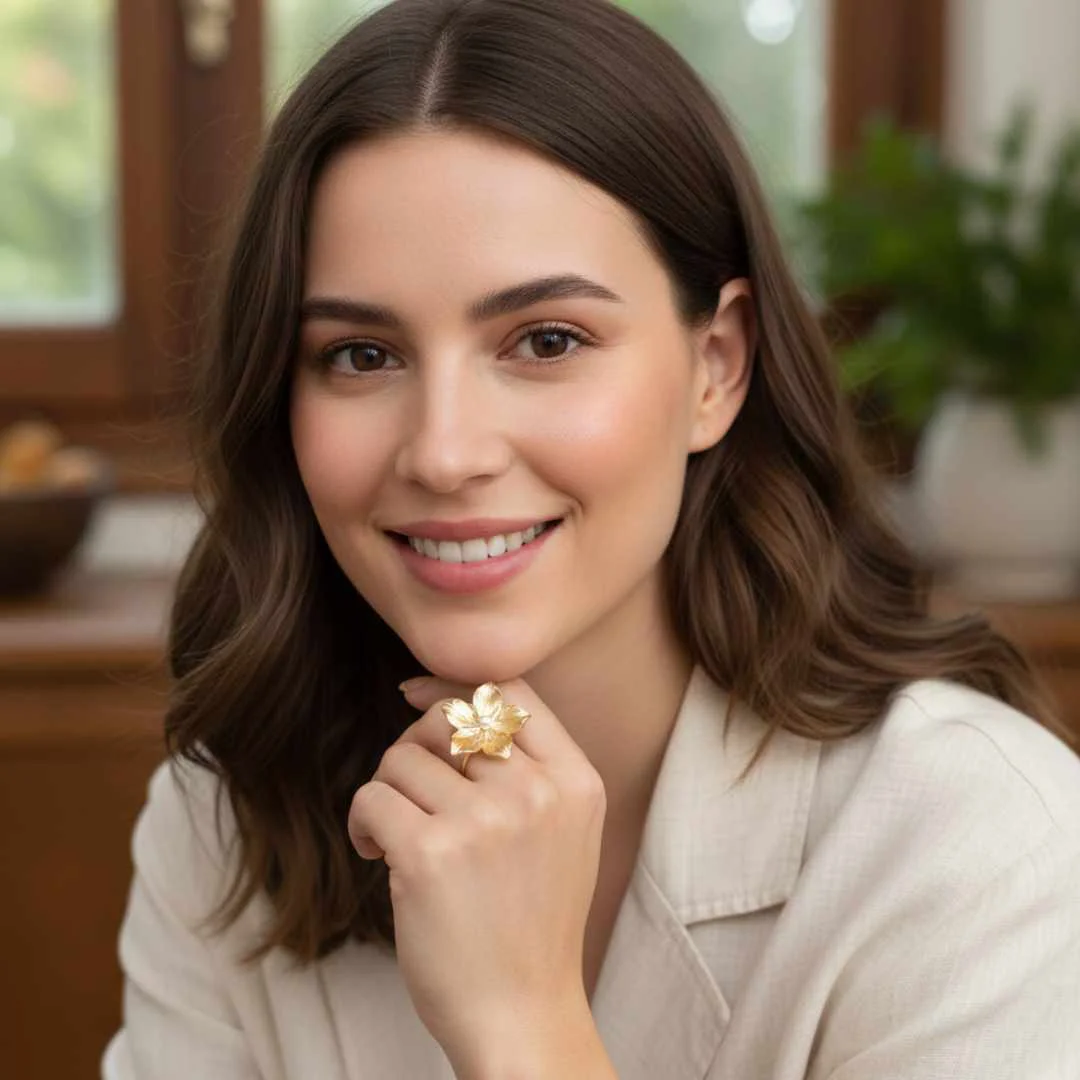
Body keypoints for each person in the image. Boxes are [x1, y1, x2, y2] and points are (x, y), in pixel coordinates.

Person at [102, 1, 1080, 1077]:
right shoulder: (225, 818)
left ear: (716, 367)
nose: (444, 452)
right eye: (361, 355)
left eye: (547, 339)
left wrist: (524, 1026)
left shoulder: (978, 838)